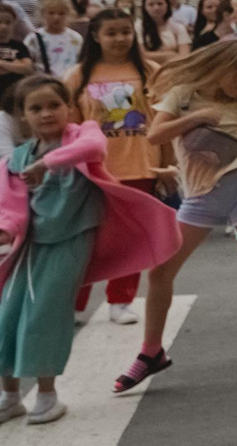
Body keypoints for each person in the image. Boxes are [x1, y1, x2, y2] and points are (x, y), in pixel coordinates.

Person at [116, 40, 237, 394]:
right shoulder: (184, 95)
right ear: (221, 64)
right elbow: (156, 134)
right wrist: (198, 118)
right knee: (161, 271)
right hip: (201, 197)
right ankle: (151, 351)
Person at [0, 76, 179, 425]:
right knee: (7, 317)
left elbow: (94, 150)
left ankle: (48, 396)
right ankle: (10, 396)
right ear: (22, 116)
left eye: (54, 105)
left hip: (70, 239)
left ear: (69, 107)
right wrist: (5, 230)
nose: (46, 114)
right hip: (29, 247)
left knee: (44, 316)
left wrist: (47, 165)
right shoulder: (17, 158)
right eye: (35, 108)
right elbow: (12, 209)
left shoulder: (83, 134)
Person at [69, 11, 168, 324]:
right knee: (87, 237)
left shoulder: (151, 71)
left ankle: (120, 300)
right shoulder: (77, 76)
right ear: (96, 36)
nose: (120, 38)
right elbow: (69, 128)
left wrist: (166, 167)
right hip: (94, 169)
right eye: (111, 33)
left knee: (130, 239)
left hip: (141, 166)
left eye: (126, 31)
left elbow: (164, 123)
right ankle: (73, 302)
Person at [32, 0, 83, 76]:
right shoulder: (34, 38)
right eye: (51, 13)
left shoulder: (75, 38)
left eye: (61, 14)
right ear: (42, 14)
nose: (56, 17)